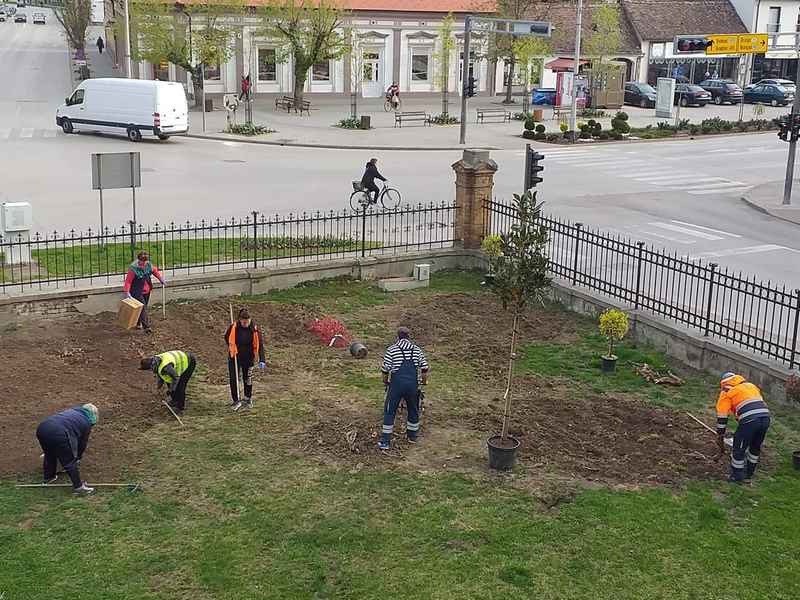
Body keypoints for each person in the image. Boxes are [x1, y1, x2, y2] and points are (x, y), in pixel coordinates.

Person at [379, 326, 429, 450]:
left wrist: (385, 382)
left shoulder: (392, 350)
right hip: (412, 385)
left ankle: (385, 441)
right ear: (408, 337)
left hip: (396, 386)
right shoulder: (417, 350)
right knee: (413, 409)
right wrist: (423, 382)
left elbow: (385, 369)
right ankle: (412, 436)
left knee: (390, 411)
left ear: (398, 336)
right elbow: (424, 368)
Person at [716, 372, 771, 483]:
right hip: (765, 417)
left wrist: (720, 433)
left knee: (739, 447)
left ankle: (736, 477)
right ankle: (749, 473)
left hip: (750, 420)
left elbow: (722, 415)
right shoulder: (750, 386)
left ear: (723, 383)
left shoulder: (727, 391)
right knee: (755, 446)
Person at [36, 404, 98, 495]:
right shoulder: (86, 422)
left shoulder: (74, 411)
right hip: (59, 432)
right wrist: (77, 458)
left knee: (49, 453)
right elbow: (82, 443)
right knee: (69, 461)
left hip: (43, 428)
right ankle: (79, 487)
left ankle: (49, 477)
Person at [224, 308, 266, 411]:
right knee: (234, 378)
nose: (245, 324)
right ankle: (236, 400)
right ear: (240, 320)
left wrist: (262, 359)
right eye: (243, 322)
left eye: (247, 322)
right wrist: (231, 347)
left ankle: (247, 398)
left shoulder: (254, 329)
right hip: (235, 357)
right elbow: (226, 337)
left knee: (248, 379)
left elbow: (260, 344)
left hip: (249, 357)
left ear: (250, 320)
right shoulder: (234, 327)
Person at [140, 351, 197, 415]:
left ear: (151, 366)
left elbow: (176, 378)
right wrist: (159, 386)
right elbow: (161, 374)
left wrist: (171, 390)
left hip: (188, 363)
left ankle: (180, 407)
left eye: (149, 370)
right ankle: (175, 400)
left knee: (180, 386)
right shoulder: (156, 361)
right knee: (170, 382)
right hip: (177, 364)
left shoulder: (166, 367)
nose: (150, 371)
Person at [123, 250, 165, 333]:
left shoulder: (148, 265)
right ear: (139, 260)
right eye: (142, 262)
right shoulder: (133, 268)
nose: (144, 264)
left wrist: (160, 279)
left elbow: (155, 271)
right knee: (143, 308)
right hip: (136, 291)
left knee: (142, 307)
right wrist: (127, 292)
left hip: (147, 289)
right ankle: (147, 327)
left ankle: (138, 324)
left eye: (145, 262)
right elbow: (128, 281)